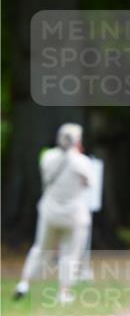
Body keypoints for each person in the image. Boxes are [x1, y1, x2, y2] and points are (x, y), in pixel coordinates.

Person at [14, 123, 93, 304]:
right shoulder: (82, 162)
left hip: (49, 211)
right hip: (74, 214)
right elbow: (89, 183)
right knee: (70, 254)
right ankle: (63, 292)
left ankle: (24, 283)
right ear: (78, 141)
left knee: (40, 248)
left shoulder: (47, 157)